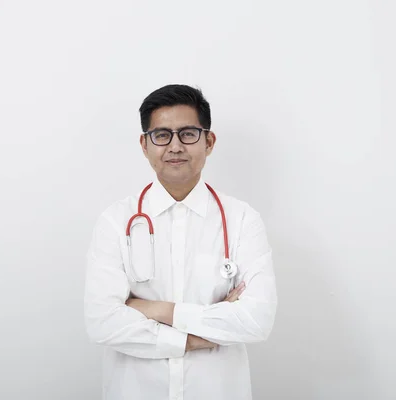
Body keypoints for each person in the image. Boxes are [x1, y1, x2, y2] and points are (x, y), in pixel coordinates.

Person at [84, 84, 277, 400]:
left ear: (209, 141)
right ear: (145, 145)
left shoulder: (243, 220)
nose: (175, 146)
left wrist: (155, 309)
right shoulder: (115, 221)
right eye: (162, 135)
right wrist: (192, 340)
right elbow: (102, 322)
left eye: (188, 134)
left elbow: (256, 320)